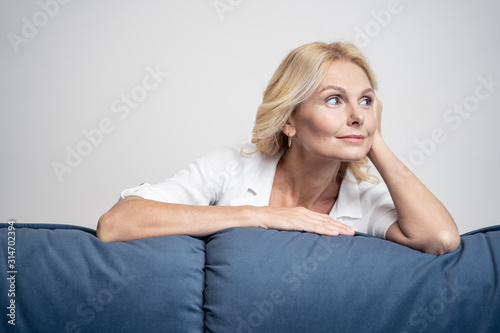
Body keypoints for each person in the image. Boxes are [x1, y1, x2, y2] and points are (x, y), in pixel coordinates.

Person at [97, 41, 460, 255]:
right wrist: (260, 216)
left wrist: (374, 139)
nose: (356, 116)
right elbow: (117, 223)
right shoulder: (228, 167)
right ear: (289, 121)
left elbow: (441, 239)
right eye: (334, 100)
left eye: (365, 101)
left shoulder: (364, 199)